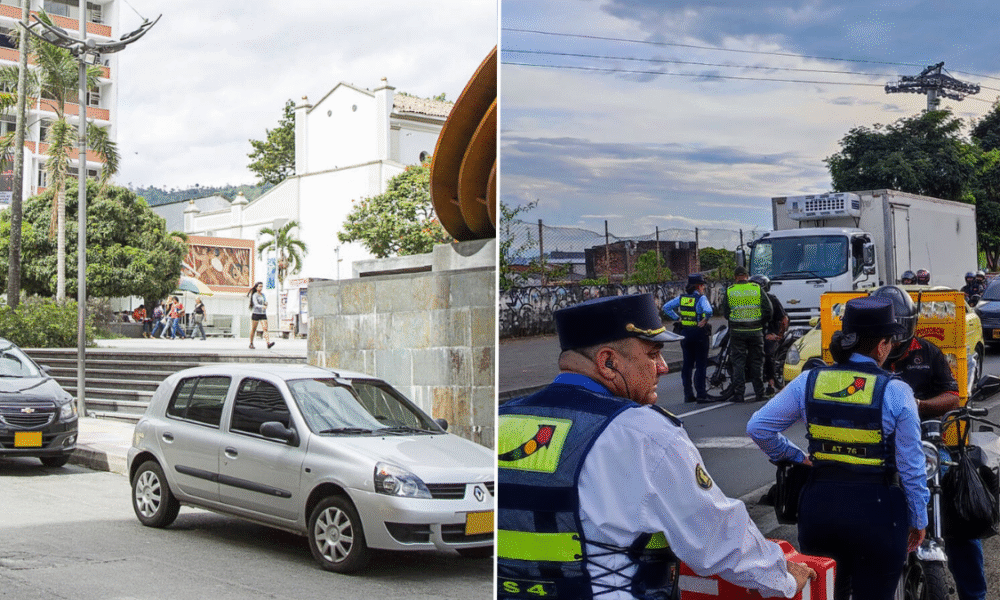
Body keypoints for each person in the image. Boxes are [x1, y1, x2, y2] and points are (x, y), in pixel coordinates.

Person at [498, 293, 815, 600]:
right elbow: (716, 536)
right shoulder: (643, 432)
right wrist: (782, 577)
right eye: (652, 355)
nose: (663, 367)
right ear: (608, 362)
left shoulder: (504, 419)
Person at [747, 296, 929, 600]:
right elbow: (912, 467)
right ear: (883, 345)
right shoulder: (896, 391)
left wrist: (793, 455)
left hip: (821, 510)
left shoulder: (808, 381)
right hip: (879, 513)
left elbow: (758, 428)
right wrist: (918, 519)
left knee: (827, 594)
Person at [872, 285, 985, 600]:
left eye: (896, 330)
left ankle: (974, 595)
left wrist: (918, 407)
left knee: (963, 524)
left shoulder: (928, 352)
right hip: (876, 450)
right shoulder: (865, 361)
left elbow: (952, 394)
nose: (891, 339)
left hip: (926, 448)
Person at [719, 266, 771, 402]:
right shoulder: (756, 288)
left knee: (738, 363)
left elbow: (725, 312)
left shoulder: (730, 290)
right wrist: (761, 323)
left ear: (736, 277)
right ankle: (760, 393)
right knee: (757, 362)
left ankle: (739, 394)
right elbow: (768, 309)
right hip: (755, 331)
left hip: (737, 332)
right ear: (747, 276)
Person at [662, 273, 713, 403]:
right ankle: (701, 394)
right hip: (699, 334)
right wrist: (705, 320)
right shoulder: (701, 299)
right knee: (701, 365)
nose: (703, 288)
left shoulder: (682, 298)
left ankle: (688, 395)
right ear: (698, 286)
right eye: (702, 285)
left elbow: (666, 307)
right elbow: (709, 311)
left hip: (685, 334)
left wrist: (677, 318)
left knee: (687, 365)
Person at [751, 274, 788, 397]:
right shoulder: (750, 301)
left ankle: (771, 384)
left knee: (767, 354)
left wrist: (778, 336)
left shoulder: (772, 300)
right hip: (755, 334)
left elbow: (784, 319)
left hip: (770, 335)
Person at [248, 282, 275, 349]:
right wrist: (262, 306)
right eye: (259, 286)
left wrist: (266, 305)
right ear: (256, 287)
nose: (261, 288)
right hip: (256, 313)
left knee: (265, 328)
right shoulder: (255, 295)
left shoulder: (263, 295)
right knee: (254, 329)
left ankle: (268, 343)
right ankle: (251, 343)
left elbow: (265, 301)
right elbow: (256, 304)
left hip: (263, 313)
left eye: (262, 286)